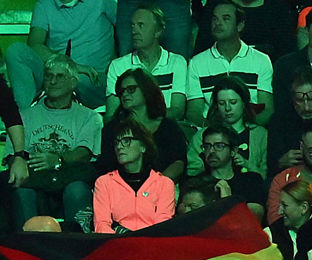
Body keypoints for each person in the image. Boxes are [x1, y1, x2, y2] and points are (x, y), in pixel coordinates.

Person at [14, 55, 102, 230]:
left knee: (77, 190)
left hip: (70, 178)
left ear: (73, 83)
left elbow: (84, 153)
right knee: (20, 190)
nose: (52, 81)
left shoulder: (90, 117)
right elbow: (15, 156)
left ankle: (77, 245)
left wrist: (57, 160)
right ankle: (22, 247)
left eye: (60, 76)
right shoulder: (24, 116)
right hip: (35, 179)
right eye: (48, 76)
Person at [6, 0, 112, 109]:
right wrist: (70, 65)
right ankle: (24, 118)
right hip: (55, 72)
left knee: (73, 81)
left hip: (92, 76)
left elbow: (126, 29)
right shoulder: (44, 5)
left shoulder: (102, 2)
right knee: (16, 51)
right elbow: (35, 44)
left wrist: (117, 66)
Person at [184, 1, 274, 126]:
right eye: (215, 19)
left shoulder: (261, 60)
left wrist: (243, 130)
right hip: (211, 135)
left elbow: (267, 109)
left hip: (250, 130)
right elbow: (194, 112)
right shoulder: (197, 63)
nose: (217, 23)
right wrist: (216, 131)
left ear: (240, 25)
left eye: (225, 18)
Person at [93, 116, 174, 234]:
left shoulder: (164, 184)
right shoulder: (104, 183)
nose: (119, 147)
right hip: (116, 245)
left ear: (143, 146)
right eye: (117, 142)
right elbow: (101, 225)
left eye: (126, 140)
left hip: (151, 246)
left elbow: (162, 225)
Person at [102, 69, 186, 182]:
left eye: (131, 89)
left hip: (161, 186)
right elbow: (107, 166)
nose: (125, 94)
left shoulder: (168, 126)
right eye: (121, 91)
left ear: (146, 89)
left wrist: (157, 185)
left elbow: (178, 162)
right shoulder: (112, 128)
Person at [105, 6, 186, 120]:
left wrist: (146, 120)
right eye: (132, 25)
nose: (134, 31)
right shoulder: (118, 66)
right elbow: (110, 116)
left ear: (157, 31)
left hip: (165, 128)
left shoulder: (177, 63)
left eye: (141, 25)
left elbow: (177, 111)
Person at [188, 76, 268, 178]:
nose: (227, 108)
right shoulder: (202, 136)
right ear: (216, 105)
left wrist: (247, 164)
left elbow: (267, 176)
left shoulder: (260, 134)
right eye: (222, 103)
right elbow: (192, 173)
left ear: (244, 103)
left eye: (233, 102)